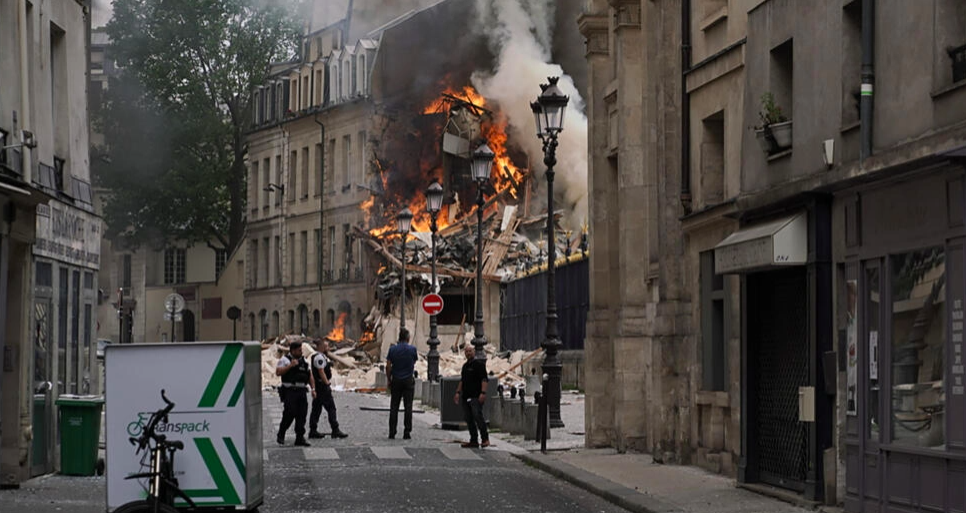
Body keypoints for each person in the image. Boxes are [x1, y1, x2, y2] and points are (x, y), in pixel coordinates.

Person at [276, 341, 315, 446]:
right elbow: (278, 372)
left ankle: (300, 437)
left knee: (302, 414)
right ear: (292, 351)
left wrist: (313, 389)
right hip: (290, 391)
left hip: (301, 391)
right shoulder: (285, 360)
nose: (301, 352)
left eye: (301, 350)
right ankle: (281, 433)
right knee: (289, 413)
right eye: (299, 350)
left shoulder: (304, 361)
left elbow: (310, 375)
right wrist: (290, 366)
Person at [309, 339, 348, 439]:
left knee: (316, 409)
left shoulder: (319, 356)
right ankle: (335, 429)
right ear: (320, 346)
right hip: (322, 387)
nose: (327, 348)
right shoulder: (319, 357)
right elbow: (321, 371)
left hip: (319, 387)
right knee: (331, 408)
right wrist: (327, 383)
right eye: (326, 346)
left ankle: (313, 430)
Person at [384, 328, 417, 439]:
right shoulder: (412, 349)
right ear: (408, 338)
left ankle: (392, 432)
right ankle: (407, 432)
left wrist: (389, 379)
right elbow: (414, 361)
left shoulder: (392, 349)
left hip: (396, 379)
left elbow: (388, 366)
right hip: (408, 379)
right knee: (408, 407)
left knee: (394, 406)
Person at [454, 344, 489, 448]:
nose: (468, 353)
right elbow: (462, 380)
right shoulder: (465, 366)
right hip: (466, 396)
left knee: (478, 417)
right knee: (468, 418)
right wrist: (457, 393)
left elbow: (484, 379)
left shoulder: (479, 365)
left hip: (476, 396)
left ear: (474, 352)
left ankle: (485, 438)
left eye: (470, 351)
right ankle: (473, 440)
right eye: (466, 351)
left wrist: (483, 393)